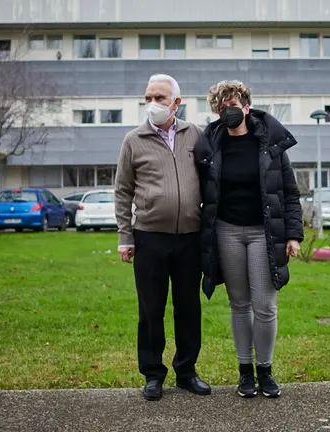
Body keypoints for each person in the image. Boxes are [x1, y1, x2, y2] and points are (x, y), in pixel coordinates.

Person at [194, 80, 303, 399]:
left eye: (233, 105)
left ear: (246, 107)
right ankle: (245, 372)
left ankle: (265, 371)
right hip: (227, 231)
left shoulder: (270, 144)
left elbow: (290, 193)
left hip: (263, 233)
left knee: (265, 306)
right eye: (222, 107)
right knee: (239, 305)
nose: (228, 110)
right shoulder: (210, 147)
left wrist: (294, 234)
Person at [114, 74, 210, 401]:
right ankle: (153, 374)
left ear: (176, 103)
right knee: (151, 310)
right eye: (148, 97)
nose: (152, 103)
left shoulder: (194, 134)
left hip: (190, 238)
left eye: (160, 97)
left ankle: (187, 371)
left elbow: (210, 177)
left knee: (188, 308)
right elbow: (122, 191)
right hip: (149, 238)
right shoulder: (133, 140)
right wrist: (125, 237)